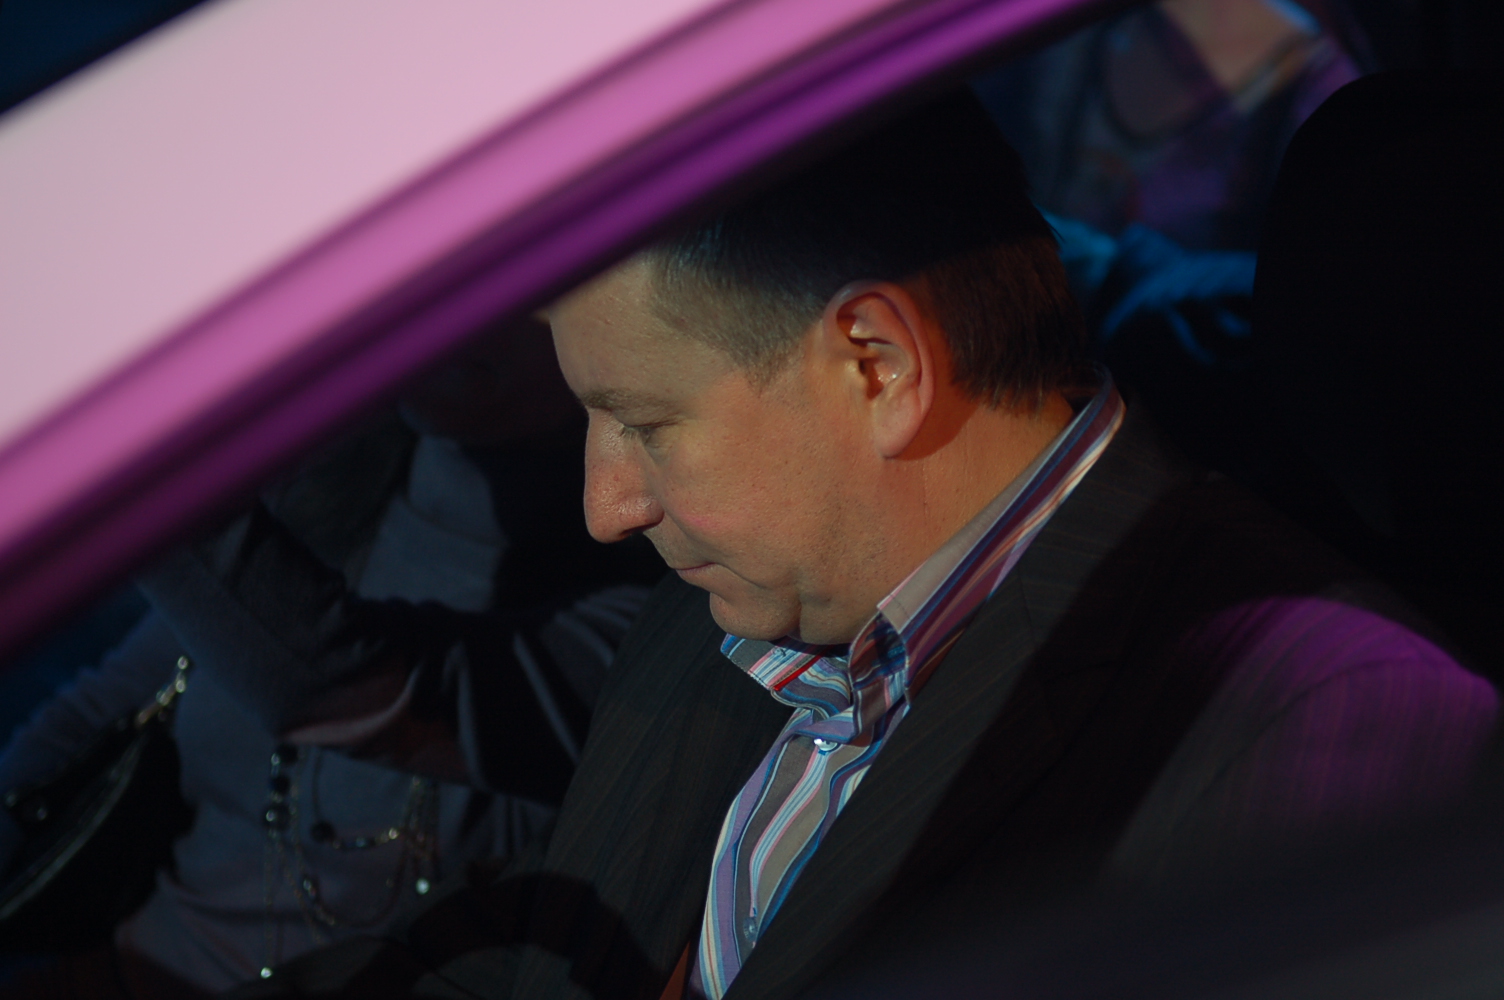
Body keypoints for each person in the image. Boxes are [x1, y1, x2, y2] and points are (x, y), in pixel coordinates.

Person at [232, 90, 1493, 1000]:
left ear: (876, 366)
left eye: (644, 424)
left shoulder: (1327, 723)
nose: (607, 503)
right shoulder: (733, 606)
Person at [0, 318, 661, 998]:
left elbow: (338, 683)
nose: (467, 309)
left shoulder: (633, 622)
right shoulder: (327, 484)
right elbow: (93, 710)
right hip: (104, 969)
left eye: (534, 300)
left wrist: (127, 443)